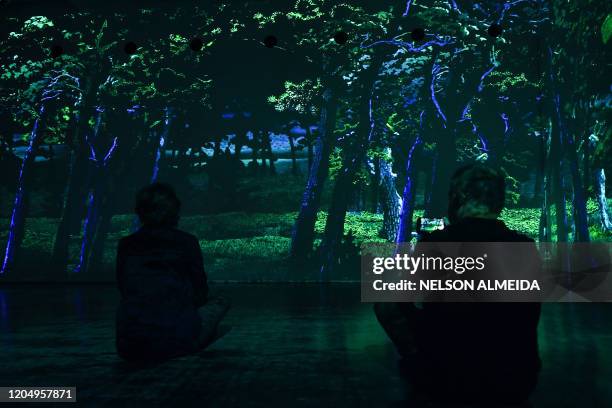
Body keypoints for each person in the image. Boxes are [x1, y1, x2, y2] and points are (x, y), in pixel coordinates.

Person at [374, 164, 541, 405]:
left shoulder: (436, 245)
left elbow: (388, 306)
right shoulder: (525, 246)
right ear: (498, 200)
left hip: (447, 377)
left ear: (458, 197)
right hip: (514, 378)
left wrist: (416, 354)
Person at [115, 182, 230, 362]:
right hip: (175, 342)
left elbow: (123, 286)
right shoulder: (187, 242)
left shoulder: (126, 244)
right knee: (221, 301)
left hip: (129, 346)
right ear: (174, 211)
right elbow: (200, 292)